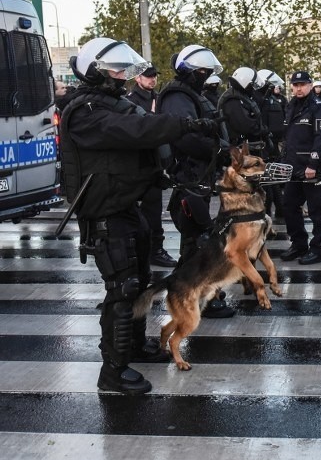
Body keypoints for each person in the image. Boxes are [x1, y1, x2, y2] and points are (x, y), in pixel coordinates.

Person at [59, 37, 217, 394]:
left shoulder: (112, 104)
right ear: (94, 70)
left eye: (121, 68)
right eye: (114, 69)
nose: (121, 76)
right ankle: (112, 372)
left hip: (127, 206)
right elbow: (135, 132)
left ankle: (133, 347)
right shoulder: (84, 112)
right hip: (104, 213)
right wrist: (185, 125)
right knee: (122, 288)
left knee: (140, 281)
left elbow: (134, 149)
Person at [156, 44, 235, 319]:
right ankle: (197, 296)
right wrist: (217, 150)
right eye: (201, 70)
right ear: (189, 70)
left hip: (198, 176)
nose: (205, 75)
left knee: (196, 240)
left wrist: (221, 149)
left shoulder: (190, 94)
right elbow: (186, 137)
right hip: (189, 177)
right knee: (199, 240)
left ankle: (195, 294)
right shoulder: (178, 96)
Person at [125, 64, 178, 268]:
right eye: (148, 76)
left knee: (154, 210)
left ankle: (155, 249)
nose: (152, 79)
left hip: (157, 162)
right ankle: (143, 250)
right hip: (140, 163)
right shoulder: (131, 101)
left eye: (154, 76)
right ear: (138, 78)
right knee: (140, 212)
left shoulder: (159, 97)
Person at [279, 70, 321, 265]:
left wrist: (313, 164)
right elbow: (289, 138)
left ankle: (318, 249)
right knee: (289, 206)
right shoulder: (291, 106)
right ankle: (299, 244)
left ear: (310, 85)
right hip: (293, 168)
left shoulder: (319, 107)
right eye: (295, 85)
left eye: (302, 84)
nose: (299, 88)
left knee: (317, 210)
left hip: (312, 169)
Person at [254, 69, 288, 218]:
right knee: (269, 181)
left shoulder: (269, 99)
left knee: (273, 179)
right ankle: (269, 211)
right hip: (266, 144)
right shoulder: (258, 99)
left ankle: (279, 209)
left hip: (272, 143)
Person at [218, 66, 270, 157]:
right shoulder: (233, 100)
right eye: (252, 85)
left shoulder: (240, 95)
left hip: (243, 148)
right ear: (246, 83)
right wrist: (262, 129)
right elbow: (245, 126)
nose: (253, 88)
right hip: (237, 150)